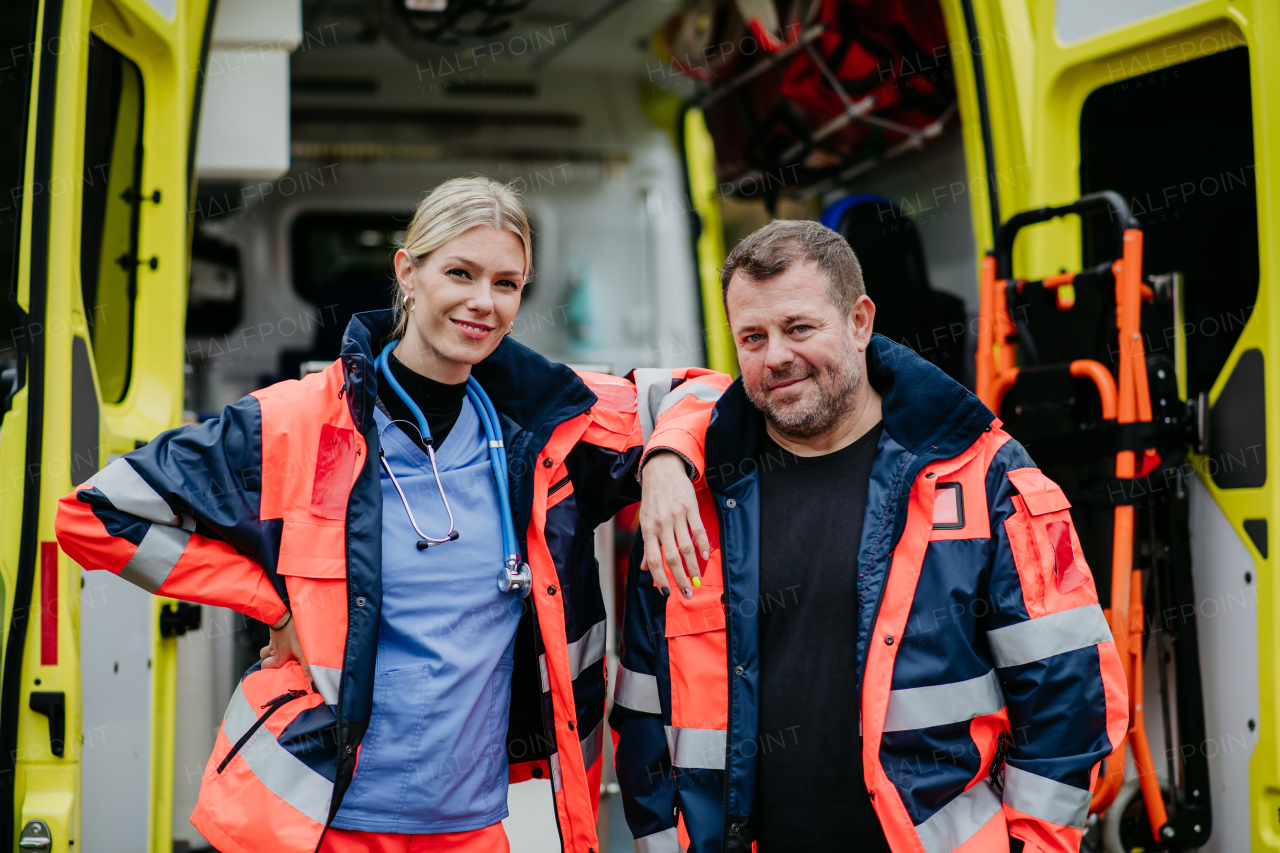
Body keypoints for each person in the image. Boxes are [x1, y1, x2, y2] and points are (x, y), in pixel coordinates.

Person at [55, 177, 711, 853]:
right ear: (408, 271)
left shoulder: (549, 421)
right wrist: (272, 603)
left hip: (477, 829)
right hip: (321, 825)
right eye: (460, 272)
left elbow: (708, 396)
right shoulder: (294, 423)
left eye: (506, 283)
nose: (483, 302)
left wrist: (664, 462)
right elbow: (95, 512)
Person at [613, 220, 1129, 853]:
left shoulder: (988, 477)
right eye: (753, 336)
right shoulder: (687, 501)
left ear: (860, 322)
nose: (776, 355)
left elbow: (1066, 694)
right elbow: (641, 716)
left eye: (800, 328)